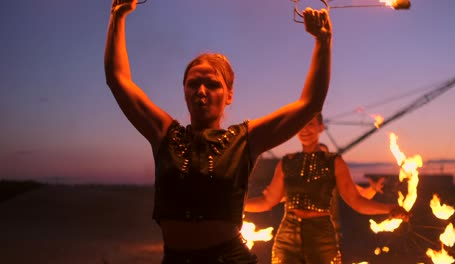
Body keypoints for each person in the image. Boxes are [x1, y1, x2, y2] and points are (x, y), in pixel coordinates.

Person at [104, 0, 333, 263]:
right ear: (185, 92)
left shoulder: (245, 139)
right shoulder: (164, 133)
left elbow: (310, 103)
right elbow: (117, 79)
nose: (201, 91)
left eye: (212, 84)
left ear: (229, 95)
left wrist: (323, 42)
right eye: (193, 84)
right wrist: (117, 15)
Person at [244, 113, 409, 264]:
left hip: (321, 237)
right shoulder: (286, 163)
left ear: (320, 128)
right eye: (301, 124)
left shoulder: (334, 163)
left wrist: (389, 208)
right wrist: (237, 205)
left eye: (310, 124)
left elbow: (356, 200)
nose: (305, 129)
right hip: (287, 238)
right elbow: (267, 201)